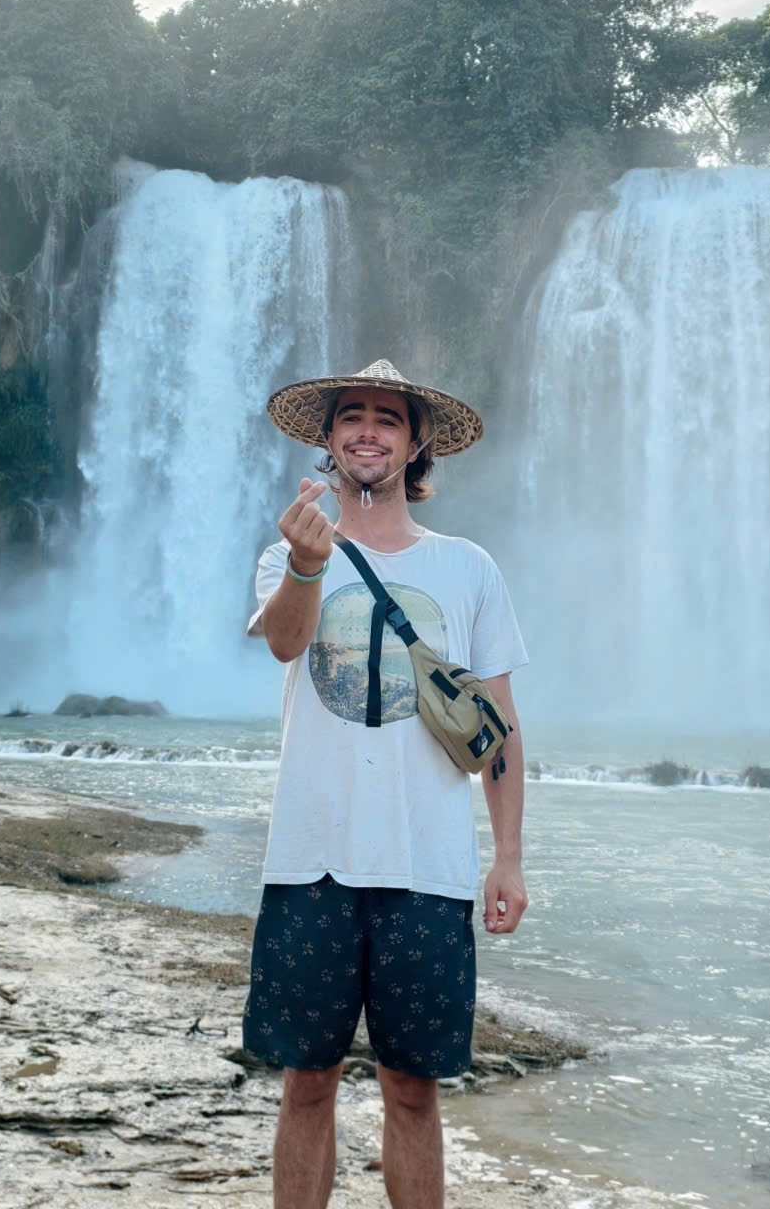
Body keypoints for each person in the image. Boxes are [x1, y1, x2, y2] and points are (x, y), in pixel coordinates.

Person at [243, 359, 529, 1209]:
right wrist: (304, 565)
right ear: (329, 442)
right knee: (307, 1083)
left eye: (387, 419)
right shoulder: (290, 549)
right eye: (351, 418)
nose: (367, 430)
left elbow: (502, 727)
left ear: (415, 445)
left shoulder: (469, 569)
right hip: (310, 864)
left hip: (427, 869)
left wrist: (508, 856)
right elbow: (287, 645)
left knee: (414, 1090)